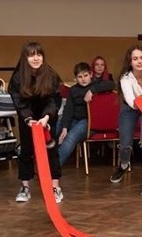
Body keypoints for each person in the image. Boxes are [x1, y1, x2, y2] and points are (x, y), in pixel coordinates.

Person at [9, 41, 64, 204]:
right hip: (28, 118)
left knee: (51, 151)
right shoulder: (18, 77)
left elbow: (54, 100)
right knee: (26, 151)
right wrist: (28, 119)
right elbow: (18, 101)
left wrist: (46, 117)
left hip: (47, 118)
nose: (36, 58)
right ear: (25, 57)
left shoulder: (51, 74)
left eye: (39, 54)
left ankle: (55, 187)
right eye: (32, 55)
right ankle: (25, 187)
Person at [110, 45, 142, 196]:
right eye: (135, 59)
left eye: (141, 58)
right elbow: (130, 99)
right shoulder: (126, 78)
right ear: (130, 62)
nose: (139, 61)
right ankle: (124, 164)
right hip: (130, 108)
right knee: (125, 143)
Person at [57, 62, 115, 166]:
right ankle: (43, 161)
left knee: (71, 137)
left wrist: (92, 90)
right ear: (75, 78)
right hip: (74, 119)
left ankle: (54, 167)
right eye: (80, 77)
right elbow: (68, 109)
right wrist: (64, 127)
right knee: (54, 128)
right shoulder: (73, 90)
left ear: (91, 75)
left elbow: (111, 84)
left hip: (88, 122)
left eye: (86, 76)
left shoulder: (96, 84)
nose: (83, 79)